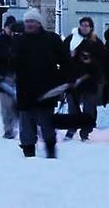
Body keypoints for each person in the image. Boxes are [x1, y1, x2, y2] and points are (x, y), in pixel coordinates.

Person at [12, 8, 72, 158]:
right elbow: (12, 63)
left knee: (47, 125)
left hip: (46, 91)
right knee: (26, 126)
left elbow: (65, 62)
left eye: (32, 21)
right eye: (27, 22)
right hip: (25, 91)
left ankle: (51, 155)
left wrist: (62, 82)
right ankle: (28, 154)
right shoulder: (19, 41)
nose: (29, 24)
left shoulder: (51, 39)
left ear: (39, 23)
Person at [63, 16, 106, 141]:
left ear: (91, 27)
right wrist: (70, 56)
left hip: (89, 80)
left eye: (87, 25)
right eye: (82, 25)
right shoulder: (71, 40)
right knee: (72, 107)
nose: (84, 27)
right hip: (73, 79)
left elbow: (103, 61)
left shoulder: (96, 42)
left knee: (89, 109)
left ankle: (85, 132)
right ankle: (72, 129)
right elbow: (63, 57)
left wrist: (91, 61)